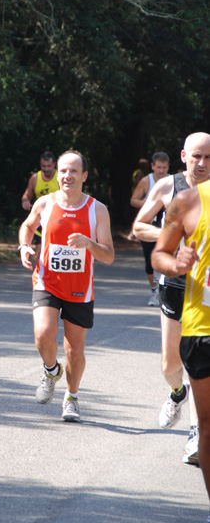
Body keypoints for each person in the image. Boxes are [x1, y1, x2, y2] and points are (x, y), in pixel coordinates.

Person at [18, 150, 114, 422]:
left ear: (84, 175)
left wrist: (89, 243)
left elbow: (108, 256)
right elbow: (27, 226)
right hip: (47, 280)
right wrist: (25, 247)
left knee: (74, 350)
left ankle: (71, 398)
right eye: (63, 171)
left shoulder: (97, 210)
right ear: (57, 174)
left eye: (73, 171)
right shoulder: (45, 203)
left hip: (79, 289)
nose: (67, 175)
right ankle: (51, 371)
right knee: (43, 334)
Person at [133, 133, 210, 465]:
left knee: (197, 364)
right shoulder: (167, 187)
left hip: (203, 290)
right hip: (173, 284)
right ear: (183, 156)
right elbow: (138, 227)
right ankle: (177, 393)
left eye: (209, 157)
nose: (203, 164)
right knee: (169, 364)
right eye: (196, 156)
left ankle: (196, 434)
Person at [152, 176, 210, 523]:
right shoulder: (188, 201)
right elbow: (159, 254)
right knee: (207, 427)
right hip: (202, 328)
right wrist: (177, 264)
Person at [130, 152, 170, 306]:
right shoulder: (147, 181)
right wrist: (149, 204)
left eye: (164, 168)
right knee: (150, 260)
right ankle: (154, 290)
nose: (161, 171)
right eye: (158, 167)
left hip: (167, 226)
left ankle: (165, 289)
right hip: (149, 226)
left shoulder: (173, 181)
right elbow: (133, 200)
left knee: (167, 257)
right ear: (152, 166)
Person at [21, 152, 60, 259]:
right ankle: (41, 274)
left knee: (57, 250)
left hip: (58, 218)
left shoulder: (60, 177)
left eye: (49, 166)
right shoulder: (35, 178)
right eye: (43, 166)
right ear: (40, 164)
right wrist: (25, 202)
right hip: (41, 218)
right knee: (40, 250)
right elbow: (26, 195)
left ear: (54, 164)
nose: (46, 169)